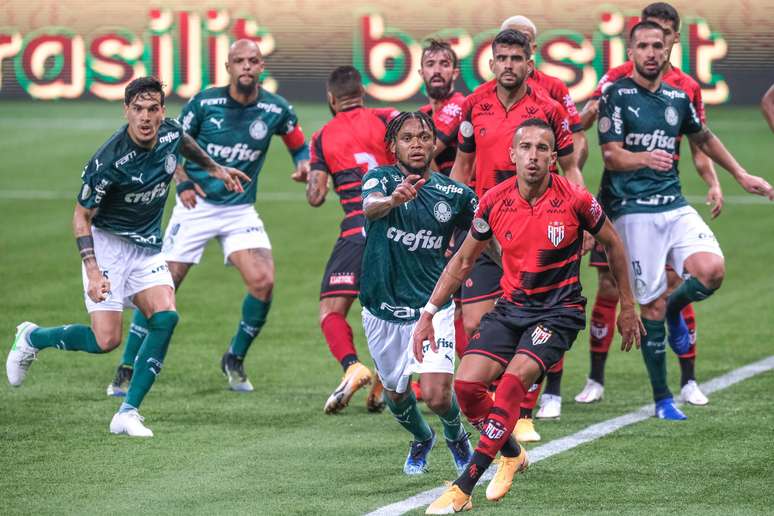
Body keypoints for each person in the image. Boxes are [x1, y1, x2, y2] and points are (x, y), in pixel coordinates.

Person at [418, 119, 642, 513]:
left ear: (554, 158)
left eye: (542, 149)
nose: (533, 156)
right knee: (467, 388)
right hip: (512, 309)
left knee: (512, 380)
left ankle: (463, 486)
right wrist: (428, 312)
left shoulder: (575, 199)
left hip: (559, 312)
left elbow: (613, 243)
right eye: (526, 148)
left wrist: (628, 304)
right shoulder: (493, 201)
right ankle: (512, 453)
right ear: (513, 155)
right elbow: (464, 260)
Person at [6, 76, 249, 437]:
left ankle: (128, 412)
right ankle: (32, 338)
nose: (146, 117)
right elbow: (81, 216)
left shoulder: (169, 131)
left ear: (162, 111)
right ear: (126, 111)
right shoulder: (109, 161)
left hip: (146, 246)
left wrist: (215, 169)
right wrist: (92, 271)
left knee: (165, 317)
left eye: (152, 109)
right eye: (137, 109)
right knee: (106, 341)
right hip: (108, 244)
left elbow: (183, 140)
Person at [105, 40, 310, 395]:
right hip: (195, 207)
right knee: (160, 288)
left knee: (263, 282)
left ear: (262, 67)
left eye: (253, 61)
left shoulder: (276, 109)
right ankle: (126, 365)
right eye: (239, 61)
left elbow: (298, 143)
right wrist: (182, 182)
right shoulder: (204, 103)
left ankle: (234, 358)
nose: (246, 66)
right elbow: (169, 144)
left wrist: (304, 165)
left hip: (239, 209)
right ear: (228, 67)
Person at [597, 21, 773, 420]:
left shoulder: (678, 96)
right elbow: (611, 155)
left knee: (711, 271)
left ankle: (677, 310)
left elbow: (704, 138)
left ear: (668, 50)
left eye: (657, 45)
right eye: (642, 46)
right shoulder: (616, 95)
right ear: (630, 52)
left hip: (673, 205)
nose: (651, 52)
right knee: (651, 308)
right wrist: (644, 158)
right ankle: (662, 399)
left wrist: (741, 175)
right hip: (633, 212)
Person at [577, 2, 723, 407]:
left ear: (674, 38)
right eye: (645, 38)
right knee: (609, 285)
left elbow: (699, 143)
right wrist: (589, 116)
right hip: (622, 198)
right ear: (634, 45)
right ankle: (595, 377)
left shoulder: (686, 89)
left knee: (676, 284)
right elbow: (587, 121)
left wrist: (713, 181)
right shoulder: (616, 81)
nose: (653, 47)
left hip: (666, 197)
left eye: (662, 35)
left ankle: (689, 380)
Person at [450, 28, 581, 442]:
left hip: (537, 230)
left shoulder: (549, 109)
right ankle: (499, 408)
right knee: (475, 323)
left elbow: (570, 167)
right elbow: (461, 167)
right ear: (491, 63)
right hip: (488, 228)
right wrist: (450, 218)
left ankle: (522, 411)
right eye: (501, 58)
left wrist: (583, 214)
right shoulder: (474, 106)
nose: (509, 65)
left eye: (516, 58)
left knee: (536, 315)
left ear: (530, 63)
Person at [360, 111, 477, 475]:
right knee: (396, 395)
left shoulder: (456, 194)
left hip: (431, 307)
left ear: (433, 144)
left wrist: (514, 268)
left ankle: (457, 436)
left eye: (424, 137)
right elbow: (369, 208)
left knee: (438, 394)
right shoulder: (379, 180)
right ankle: (422, 438)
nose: (417, 144)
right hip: (381, 310)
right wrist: (393, 200)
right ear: (393, 145)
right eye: (407, 138)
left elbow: (482, 236)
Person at [496, 14, 592, 428]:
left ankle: (546, 391)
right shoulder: (485, 97)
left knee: (550, 298)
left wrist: (579, 211)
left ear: (532, 53)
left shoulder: (553, 93)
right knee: (498, 310)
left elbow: (572, 147)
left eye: (526, 45)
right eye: (508, 49)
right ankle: (504, 399)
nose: (516, 56)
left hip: (547, 212)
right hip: (500, 215)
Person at [305, 66, 397, 414]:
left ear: (331, 99)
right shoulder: (386, 118)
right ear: (363, 93)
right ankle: (387, 383)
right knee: (390, 312)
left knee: (332, 309)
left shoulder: (321, 137)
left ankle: (352, 365)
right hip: (397, 228)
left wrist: (312, 176)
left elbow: (315, 196)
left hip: (356, 228)